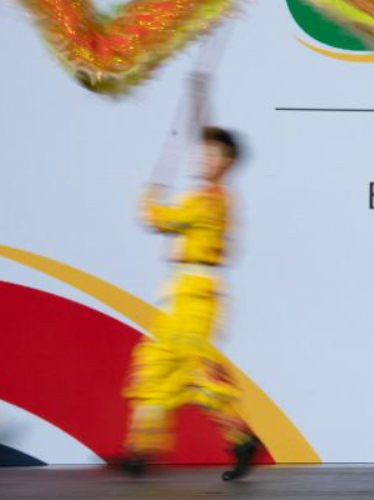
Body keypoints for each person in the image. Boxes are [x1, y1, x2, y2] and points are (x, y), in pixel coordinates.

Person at [120, 74, 260, 481]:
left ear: (227, 162)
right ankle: (140, 450)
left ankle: (240, 437)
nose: (202, 158)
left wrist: (147, 201)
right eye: (203, 152)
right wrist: (200, 101)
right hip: (183, 291)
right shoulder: (213, 193)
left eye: (212, 154)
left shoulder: (207, 199)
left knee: (194, 370)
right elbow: (207, 140)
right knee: (154, 365)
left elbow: (159, 220)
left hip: (197, 294)